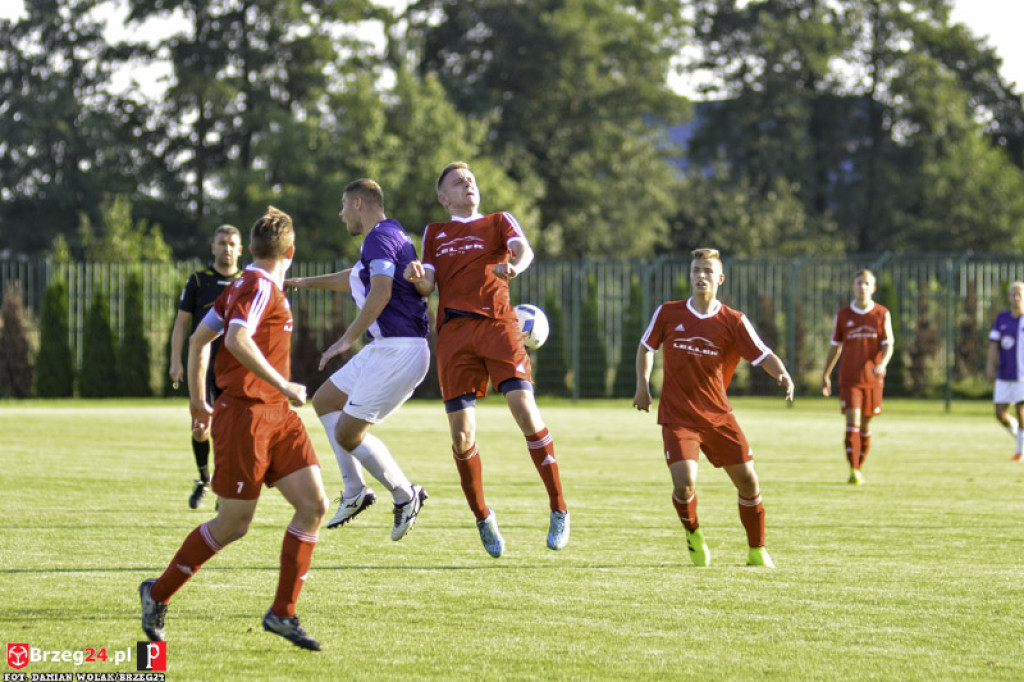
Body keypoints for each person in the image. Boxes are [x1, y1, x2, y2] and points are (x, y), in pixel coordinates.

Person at [140, 206, 329, 651]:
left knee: (314, 505)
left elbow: (197, 339)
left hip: (277, 416)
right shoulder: (260, 285)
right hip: (246, 416)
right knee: (232, 524)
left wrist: (197, 398)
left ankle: (282, 612)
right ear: (291, 251)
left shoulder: (242, 284)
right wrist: (282, 382)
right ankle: (157, 593)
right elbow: (234, 338)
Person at [403, 161, 568, 558]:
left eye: (471, 180)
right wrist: (416, 279)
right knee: (461, 438)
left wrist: (514, 267)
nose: (468, 184)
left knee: (525, 411)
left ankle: (559, 508)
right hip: (455, 333)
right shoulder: (435, 232)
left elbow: (522, 250)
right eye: (459, 183)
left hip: (498, 324)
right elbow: (429, 283)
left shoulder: (497, 221)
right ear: (444, 198)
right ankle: (482, 516)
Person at [285, 179, 430, 538]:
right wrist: (300, 282)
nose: (341, 213)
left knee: (349, 434)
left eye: (344, 205)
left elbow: (380, 293)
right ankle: (354, 491)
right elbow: (354, 278)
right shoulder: (389, 233)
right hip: (386, 348)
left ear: (359, 204)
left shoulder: (378, 238)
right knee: (325, 401)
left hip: (400, 349)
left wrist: (345, 340)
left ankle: (404, 493)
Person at [633, 248, 793, 568]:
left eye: (707, 270)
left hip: (719, 417)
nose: (700, 275)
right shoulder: (669, 313)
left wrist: (784, 374)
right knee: (684, 483)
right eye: (695, 270)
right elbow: (646, 346)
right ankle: (694, 534)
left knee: (748, 482)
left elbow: (762, 354)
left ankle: (757, 550)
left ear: (720, 278)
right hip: (679, 417)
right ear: (689, 276)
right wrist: (642, 385)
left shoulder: (733, 321)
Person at [169, 224, 244, 509]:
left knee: (229, 430)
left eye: (231, 243)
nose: (226, 248)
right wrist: (176, 361)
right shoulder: (198, 281)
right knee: (201, 428)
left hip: (234, 368)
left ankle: (224, 488)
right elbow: (181, 323)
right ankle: (203, 478)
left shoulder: (247, 281)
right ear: (212, 247)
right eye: (221, 242)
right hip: (201, 366)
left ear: (240, 249)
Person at [821, 269, 894, 484]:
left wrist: (882, 363)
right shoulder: (843, 315)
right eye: (859, 283)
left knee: (866, 427)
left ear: (873, 288)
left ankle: (859, 466)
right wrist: (825, 374)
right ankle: (853, 469)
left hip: (873, 379)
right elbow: (835, 347)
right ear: (853, 286)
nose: (862, 287)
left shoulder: (882, 314)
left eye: (867, 283)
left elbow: (888, 343)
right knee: (852, 422)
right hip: (850, 379)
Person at [985, 281, 1024, 461]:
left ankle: (1020, 451)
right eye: (1013, 294)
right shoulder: (1002, 318)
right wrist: (990, 366)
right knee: (1000, 413)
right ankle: (1019, 436)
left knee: (1020, 410)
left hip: (1022, 375)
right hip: (1004, 373)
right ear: (1009, 297)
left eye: (1020, 294)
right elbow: (994, 345)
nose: (1016, 297)